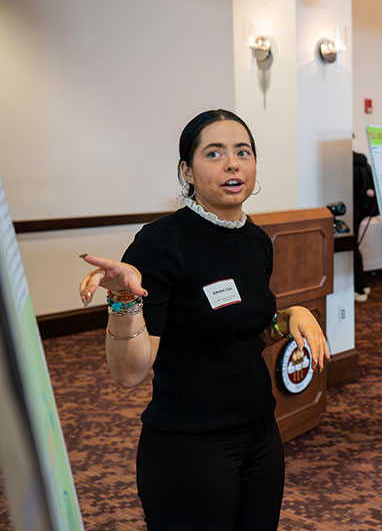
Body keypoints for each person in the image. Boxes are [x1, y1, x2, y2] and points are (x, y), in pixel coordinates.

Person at [77, 110, 329, 530]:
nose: (232, 163)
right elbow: (130, 371)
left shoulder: (255, 241)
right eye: (214, 153)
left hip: (260, 434)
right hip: (191, 445)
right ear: (187, 171)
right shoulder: (160, 243)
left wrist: (287, 317)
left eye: (242, 152)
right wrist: (124, 301)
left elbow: (248, 329)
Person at [353, 150, 379, 302]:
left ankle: (359, 287)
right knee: (355, 248)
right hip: (360, 213)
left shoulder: (346, 163)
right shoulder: (362, 163)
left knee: (352, 250)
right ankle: (362, 285)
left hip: (351, 213)